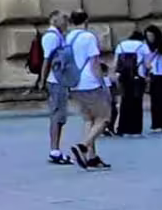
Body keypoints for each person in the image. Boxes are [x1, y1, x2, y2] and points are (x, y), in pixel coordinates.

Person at [63, 9, 110, 170]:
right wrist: (102, 83)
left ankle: (92, 156)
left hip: (73, 83)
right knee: (104, 118)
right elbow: (94, 63)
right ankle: (83, 145)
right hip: (89, 82)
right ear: (86, 21)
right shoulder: (88, 37)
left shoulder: (67, 37)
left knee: (89, 119)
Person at [39, 11, 72, 165]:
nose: (66, 21)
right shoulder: (52, 37)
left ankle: (56, 148)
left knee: (60, 115)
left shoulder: (58, 36)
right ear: (53, 20)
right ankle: (54, 149)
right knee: (57, 114)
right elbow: (47, 59)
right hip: (55, 80)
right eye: (63, 18)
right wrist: (42, 79)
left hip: (60, 80)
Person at [109, 26, 148, 137]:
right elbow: (147, 63)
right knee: (136, 102)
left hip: (123, 77)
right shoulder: (142, 46)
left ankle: (123, 128)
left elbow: (115, 63)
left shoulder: (121, 45)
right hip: (138, 76)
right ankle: (135, 129)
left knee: (125, 102)